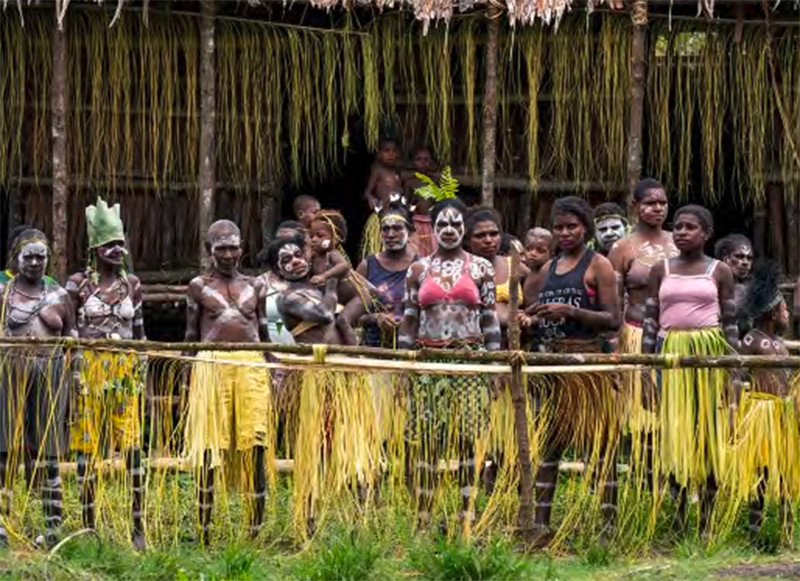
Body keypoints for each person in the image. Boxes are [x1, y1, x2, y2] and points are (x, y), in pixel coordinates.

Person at [521, 196, 621, 548]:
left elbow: (613, 319)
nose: (565, 233)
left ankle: (607, 530)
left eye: (572, 227)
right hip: (552, 365)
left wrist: (571, 311)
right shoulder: (547, 269)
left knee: (599, 445)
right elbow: (534, 313)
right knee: (550, 446)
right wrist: (529, 319)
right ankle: (540, 528)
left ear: (586, 228)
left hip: (587, 363)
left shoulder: (599, 265)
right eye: (559, 227)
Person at [399, 197, 501, 536]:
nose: (448, 230)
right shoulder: (417, 270)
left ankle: (465, 518)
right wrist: (404, 366)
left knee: (469, 441)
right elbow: (409, 320)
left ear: (464, 228)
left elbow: (490, 320)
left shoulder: (481, 268)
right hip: (428, 362)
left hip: (471, 361)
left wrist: (493, 365)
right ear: (432, 228)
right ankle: (423, 522)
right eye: (442, 224)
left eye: (455, 224)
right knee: (426, 442)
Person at [642, 205, 738, 536]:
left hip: (708, 353)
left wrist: (732, 371)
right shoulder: (661, 269)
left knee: (708, 432)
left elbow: (730, 324)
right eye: (678, 226)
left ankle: (707, 521)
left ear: (706, 233)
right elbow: (651, 321)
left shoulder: (720, 271)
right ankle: (680, 516)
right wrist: (646, 367)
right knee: (675, 433)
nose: (681, 232)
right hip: (670, 354)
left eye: (690, 227)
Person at [65, 197, 147, 550]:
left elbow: (140, 333)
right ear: (95, 250)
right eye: (109, 244)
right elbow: (70, 331)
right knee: (88, 451)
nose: (117, 250)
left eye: (120, 243)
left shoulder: (133, 285)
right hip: (90, 371)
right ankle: (89, 526)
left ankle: (138, 527)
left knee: (132, 449)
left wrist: (141, 369)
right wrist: (75, 374)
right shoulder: (78, 285)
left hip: (125, 372)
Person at [183, 220, 271, 545]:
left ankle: (254, 531)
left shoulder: (256, 285)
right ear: (210, 250)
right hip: (211, 364)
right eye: (221, 248)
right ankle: (204, 530)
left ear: (242, 248)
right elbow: (191, 334)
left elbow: (264, 332)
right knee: (209, 446)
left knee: (256, 444)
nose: (228, 254)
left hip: (251, 365)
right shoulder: (198, 286)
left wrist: (273, 369)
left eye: (233, 247)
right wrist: (186, 379)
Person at [0, 229, 76, 549]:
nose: (34, 262)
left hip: (51, 373)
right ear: (15, 258)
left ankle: (52, 526)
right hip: (9, 371)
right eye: (28, 256)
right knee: (4, 449)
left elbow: (73, 340)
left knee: (48, 450)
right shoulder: (3, 292)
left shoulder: (59, 295)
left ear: (48, 259)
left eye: (40, 257)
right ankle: (2, 525)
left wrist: (75, 380)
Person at [608, 178, 678, 486]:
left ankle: (676, 480)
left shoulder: (679, 241)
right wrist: (614, 347)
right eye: (650, 203)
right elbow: (613, 301)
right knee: (643, 415)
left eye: (662, 202)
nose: (658, 208)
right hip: (635, 335)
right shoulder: (622, 248)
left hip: (677, 337)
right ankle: (645, 482)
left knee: (675, 410)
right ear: (635, 206)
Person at [733, 261, 796, 545]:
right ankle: (755, 534)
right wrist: (734, 411)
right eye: (784, 309)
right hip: (761, 413)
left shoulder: (779, 343)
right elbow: (736, 375)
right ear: (772, 313)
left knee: (786, 471)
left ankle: (786, 533)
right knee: (761, 472)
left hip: (783, 412)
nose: (787, 314)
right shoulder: (752, 340)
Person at [343, 202, 417, 348]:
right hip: (372, 348)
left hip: (411, 348)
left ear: (410, 232)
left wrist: (407, 320)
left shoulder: (420, 267)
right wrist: (375, 318)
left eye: (397, 228)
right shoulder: (367, 266)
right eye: (385, 229)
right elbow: (348, 316)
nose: (390, 234)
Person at [268, 235, 354, 346]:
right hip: (316, 356)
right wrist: (332, 282)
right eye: (286, 260)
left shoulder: (317, 289)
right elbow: (326, 315)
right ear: (278, 271)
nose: (296, 261)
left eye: (298, 255)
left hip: (341, 355)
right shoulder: (286, 298)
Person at [466, 207, 528, 338]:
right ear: (468, 239)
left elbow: (536, 302)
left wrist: (525, 316)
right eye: (480, 235)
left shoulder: (515, 266)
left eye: (493, 234)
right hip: (475, 341)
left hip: (513, 341)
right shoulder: (462, 269)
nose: (488, 240)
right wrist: (505, 316)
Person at [361, 138, 402, 260]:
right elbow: (367, 191)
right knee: (380, 247)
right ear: (379, 154)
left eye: (394, 151)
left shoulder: (397, 171)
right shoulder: (377, 170)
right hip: (381, 216)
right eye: (387, 151)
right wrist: (370, 198)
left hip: (397, 215)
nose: (391, 154)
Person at [404, 146, 439, 257]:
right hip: (416, 222)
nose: (423, 163)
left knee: (433, 247)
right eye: (419, 159)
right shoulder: (410, 182)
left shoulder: (435, 181)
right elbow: (406, 203)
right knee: (418, 249)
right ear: (413, 162)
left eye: (426, 159)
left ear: (431, 162)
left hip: (432, 222)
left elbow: (440, 201)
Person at [714, 234, 754, 334]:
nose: (745, 262)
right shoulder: (710, 288)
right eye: (739, 256)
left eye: (749, 258)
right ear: (725, 257)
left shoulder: (750, 291)